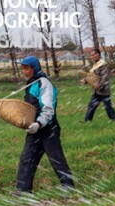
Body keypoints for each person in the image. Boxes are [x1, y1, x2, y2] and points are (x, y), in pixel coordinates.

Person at [15, 56, 75, 194]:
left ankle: (69, 187)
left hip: (48, 128)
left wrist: (39, 123)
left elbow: (48, 108)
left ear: (34, 68)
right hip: (34, 130)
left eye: (27, 68)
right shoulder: (31, 84)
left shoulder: (43, 83)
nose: (24, 71)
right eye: (23, 68)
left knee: (56, 158)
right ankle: (23, 190)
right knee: (27, 158)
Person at [83, 48, 115, 122]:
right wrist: (85, 81)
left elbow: (104, 77)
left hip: (103, 90)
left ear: (98, 55)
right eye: (91, 55)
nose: (92, 57)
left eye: (93, 55)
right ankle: (87, 121)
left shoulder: (103, 64)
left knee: (108, 106)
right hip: (96, 91)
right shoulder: (95, 65)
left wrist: (99, 85)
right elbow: (91, 77)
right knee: (91, 106)